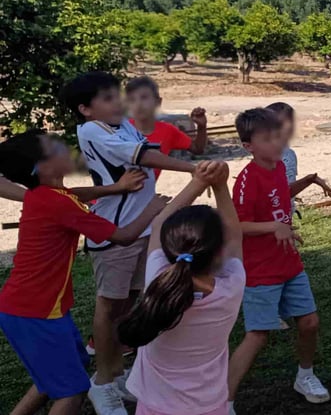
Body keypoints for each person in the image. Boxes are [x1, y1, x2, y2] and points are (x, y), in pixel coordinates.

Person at [0, 131, 168, 415]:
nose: (66, 149)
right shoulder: (58, 203)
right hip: (36, 312)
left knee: (62, 373)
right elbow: (124, 236)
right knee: (72, 391)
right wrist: (153, 210)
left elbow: (75, 196)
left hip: (29, 309)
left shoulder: (42, 195)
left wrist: (116, 188)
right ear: (43, 166)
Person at [60, 71, 197, 415]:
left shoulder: (122, 125)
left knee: (132, 302)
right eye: (107, 98)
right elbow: (144, 157)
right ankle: (102, 383)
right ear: (85, 109)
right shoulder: (93, 130)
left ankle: (117, 375)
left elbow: (147, 151)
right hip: (115, 230)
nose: (117, 102)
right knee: (109, 307)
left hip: (144, 226)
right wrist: (193, 169)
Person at [118, 160, 244, 415]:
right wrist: (220, 186)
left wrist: (197, 182)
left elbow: (159, 223)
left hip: (154, 407)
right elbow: (234, 234)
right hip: (210, 406)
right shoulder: (231, 287)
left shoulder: (157, 280)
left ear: (168, 248)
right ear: (218, 251)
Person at [227, 108, 329, 413]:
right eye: (268, 138)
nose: (277, 142)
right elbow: (236, 225)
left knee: (309, 322)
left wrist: (309, 180)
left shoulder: (276, 169)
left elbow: (281, 193)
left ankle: (305, 376)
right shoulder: (246, 180)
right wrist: (275, 226)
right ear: (249, 146)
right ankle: (223, 400)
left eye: (279, 134)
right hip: (260, 270)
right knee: (258, 335)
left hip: (289, 263)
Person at [126, 76, 208, 180]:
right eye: (132, 100)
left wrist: (201, 126)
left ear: (158, 102)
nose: (138, 104)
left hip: (146, 194)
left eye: (144, 98)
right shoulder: (119, 131)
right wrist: (191, 168)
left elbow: (198, 149)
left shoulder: (168, 131)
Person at [266, 102, 331, 210]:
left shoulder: (261, 151)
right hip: (275, 219)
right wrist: (309, 180)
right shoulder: (285, 155)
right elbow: (282, 194)